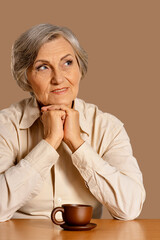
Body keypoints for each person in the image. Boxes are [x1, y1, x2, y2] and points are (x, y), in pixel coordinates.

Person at [0, 23, 145, 222]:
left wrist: (78, 144)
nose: (58, 78)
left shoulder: (108, 127)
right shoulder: (6, 125)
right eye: (43, 67)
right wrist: (49, 143)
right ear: (26, 77)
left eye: (67, 63)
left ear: (80, 68)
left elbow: (130, 208)